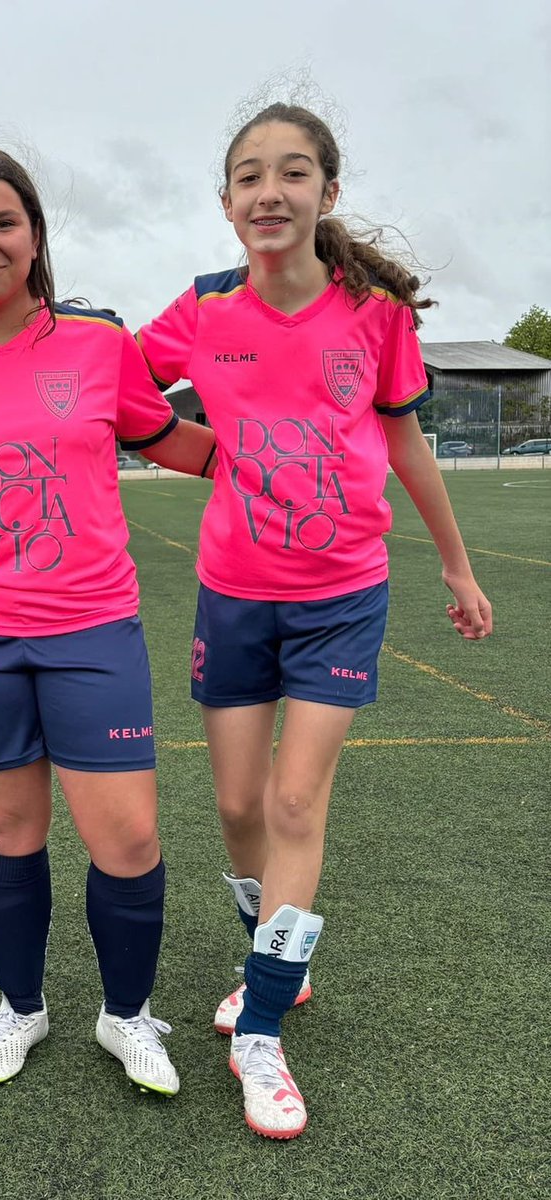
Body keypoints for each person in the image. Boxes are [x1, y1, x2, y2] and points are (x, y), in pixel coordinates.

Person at [138, 103, 492, 1138]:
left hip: (342, 592)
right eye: (249, 177)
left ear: (326, 193)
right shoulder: (202, 310)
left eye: (293, 174)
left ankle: (260, 1029)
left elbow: (408, 444)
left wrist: (459, 570)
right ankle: (275, 959)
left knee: (295, 804)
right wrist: (197, 452)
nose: (270, 193)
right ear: (225, 203)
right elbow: (118, 392)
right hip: (234, 592)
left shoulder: (374, 311)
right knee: (240, 803)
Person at [0, 147, 216, 1093]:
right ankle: (20, 1009)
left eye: (2, 224)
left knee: (129, 840)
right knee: (8, 837)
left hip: (91, 632)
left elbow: (175, 443)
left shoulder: (96, 347)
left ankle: (126, 1016)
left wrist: (281, 442)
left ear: (32, 237)